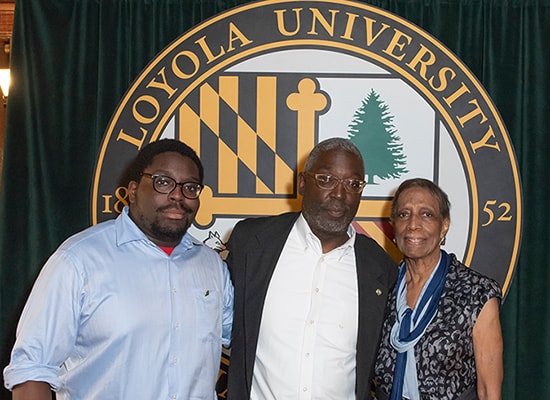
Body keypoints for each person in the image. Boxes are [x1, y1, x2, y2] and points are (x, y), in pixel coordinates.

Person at [3, 139, 234, 399]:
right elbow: (31, 371)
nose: (178, 195)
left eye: (190, 187)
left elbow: (249, 339)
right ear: (133, 190)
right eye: (163, 181)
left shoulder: (212, 266)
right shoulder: (78, 261)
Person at [225, 137, 398, 400]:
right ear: (303, 183)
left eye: (352, 184)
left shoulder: (380, 267)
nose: (339, 194)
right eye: (326, 180)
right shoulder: (251, 242)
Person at [373, 178, 503, 400]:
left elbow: (488, 391)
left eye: (426, 214)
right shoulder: (381, 287)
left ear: (444, 225)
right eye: (404, 214)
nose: (413, 224)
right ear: (393, 225)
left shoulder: (477, 293)